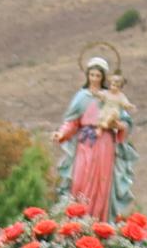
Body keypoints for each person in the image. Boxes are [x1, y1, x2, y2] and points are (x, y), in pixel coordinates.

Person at [54, 56, 134, 216]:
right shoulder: (82, 96)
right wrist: (62, 133)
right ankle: (78, 218)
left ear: (103, 77)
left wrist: (120, 126)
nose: (95, 79)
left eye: (98, 76)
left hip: (105, 142)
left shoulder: (111, 96)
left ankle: (99, 220)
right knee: (80, 178)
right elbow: (72, 121)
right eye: (92, 75)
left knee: (102, 181)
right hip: (85, 142)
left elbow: (125, 120)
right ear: (87, 76)